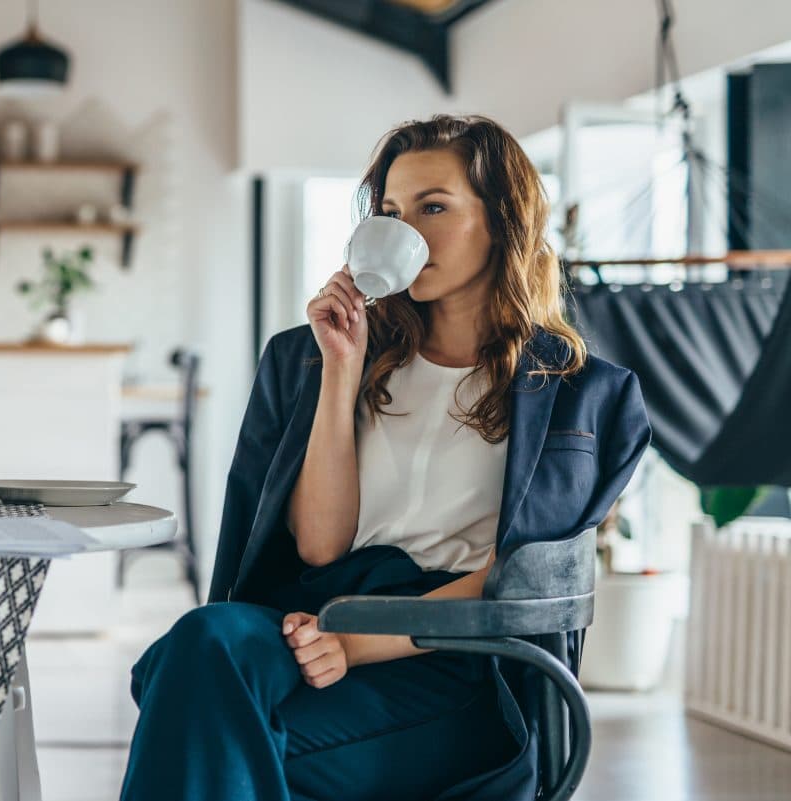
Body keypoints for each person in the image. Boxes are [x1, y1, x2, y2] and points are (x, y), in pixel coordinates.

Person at [118, 114, 652, 801]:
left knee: (191, 710)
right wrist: (340, 370)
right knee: (203, 642)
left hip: (452, 659)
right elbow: (318, 545)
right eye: (392, 211)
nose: (406, 231)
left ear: (503, 220)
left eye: (434, 207)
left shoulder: (583, 396)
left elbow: (517, 582)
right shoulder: (315, 359)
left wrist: (356, 641)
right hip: (314, 614)